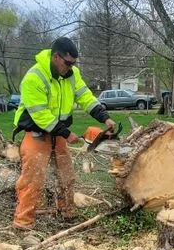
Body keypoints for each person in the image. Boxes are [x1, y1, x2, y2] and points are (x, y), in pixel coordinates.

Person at [12, 37, 115, 230]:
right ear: (56, 57)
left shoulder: (72, 74)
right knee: (33, 178)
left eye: (73, 63)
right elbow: (41, 115)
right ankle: (23, 223)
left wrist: (104, 117)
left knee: (67, 174)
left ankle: (67, 212)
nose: (70, 67)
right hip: (36, 132)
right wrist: (67, 133)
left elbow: (85, 97)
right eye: (68, 63)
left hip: (58, 134)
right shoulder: (34, 77)